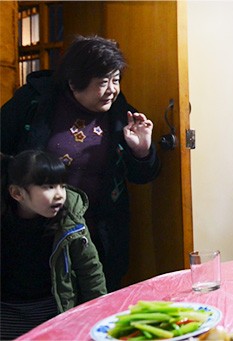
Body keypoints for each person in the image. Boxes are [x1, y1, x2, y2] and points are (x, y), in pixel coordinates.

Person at [1, 35, 161, 291]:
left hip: (99, 233)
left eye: (116, 80)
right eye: (103, 82)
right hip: (38, 232)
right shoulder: (35, 101)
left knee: (98, 300)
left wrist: (142, 151)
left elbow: (143, 176)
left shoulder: (120, 111)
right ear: (74, 84)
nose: (112, 89)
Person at [1, 150, 107, 340]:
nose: (59, 195)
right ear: (17, 193)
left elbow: (90, 270)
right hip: (7, 312)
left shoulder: (70, 220)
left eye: (62, 186)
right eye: (49, 187)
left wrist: (99, 316)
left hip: (54, 308)